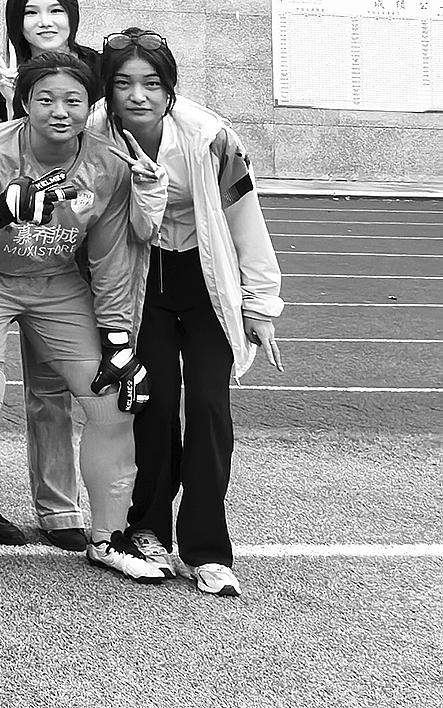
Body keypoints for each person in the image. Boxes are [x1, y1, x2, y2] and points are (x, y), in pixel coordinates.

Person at [0, 47, 167, 583]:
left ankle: (108, 538)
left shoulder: (108, 165)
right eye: (46, 99)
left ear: (91, 106)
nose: (60, 111)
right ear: (24, 103)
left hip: (55, 281)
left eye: (73, 100)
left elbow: (112, 258)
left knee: (112, 400)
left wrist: (119, 340)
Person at [101, 30, 283, 597]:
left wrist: (260, 304)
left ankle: (207, 548)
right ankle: (148, 529)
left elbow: (246, 219)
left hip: (205, 278)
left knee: (207, 407)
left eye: (152, 84)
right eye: (124, 84)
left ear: (170, 89)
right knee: (152, 405)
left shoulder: (211, 138)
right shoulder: (94, 135)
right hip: (142, 279)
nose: (138, 96)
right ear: (107, 90)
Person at [0, 0, 102, 548]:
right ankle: (0, 503)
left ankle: (67, 509)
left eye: (55, 9)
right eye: (31, 12)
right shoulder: (4, 85)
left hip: (80, 252)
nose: (44, 22)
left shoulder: (97, 75)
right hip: (12, 252)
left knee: (68, 383)